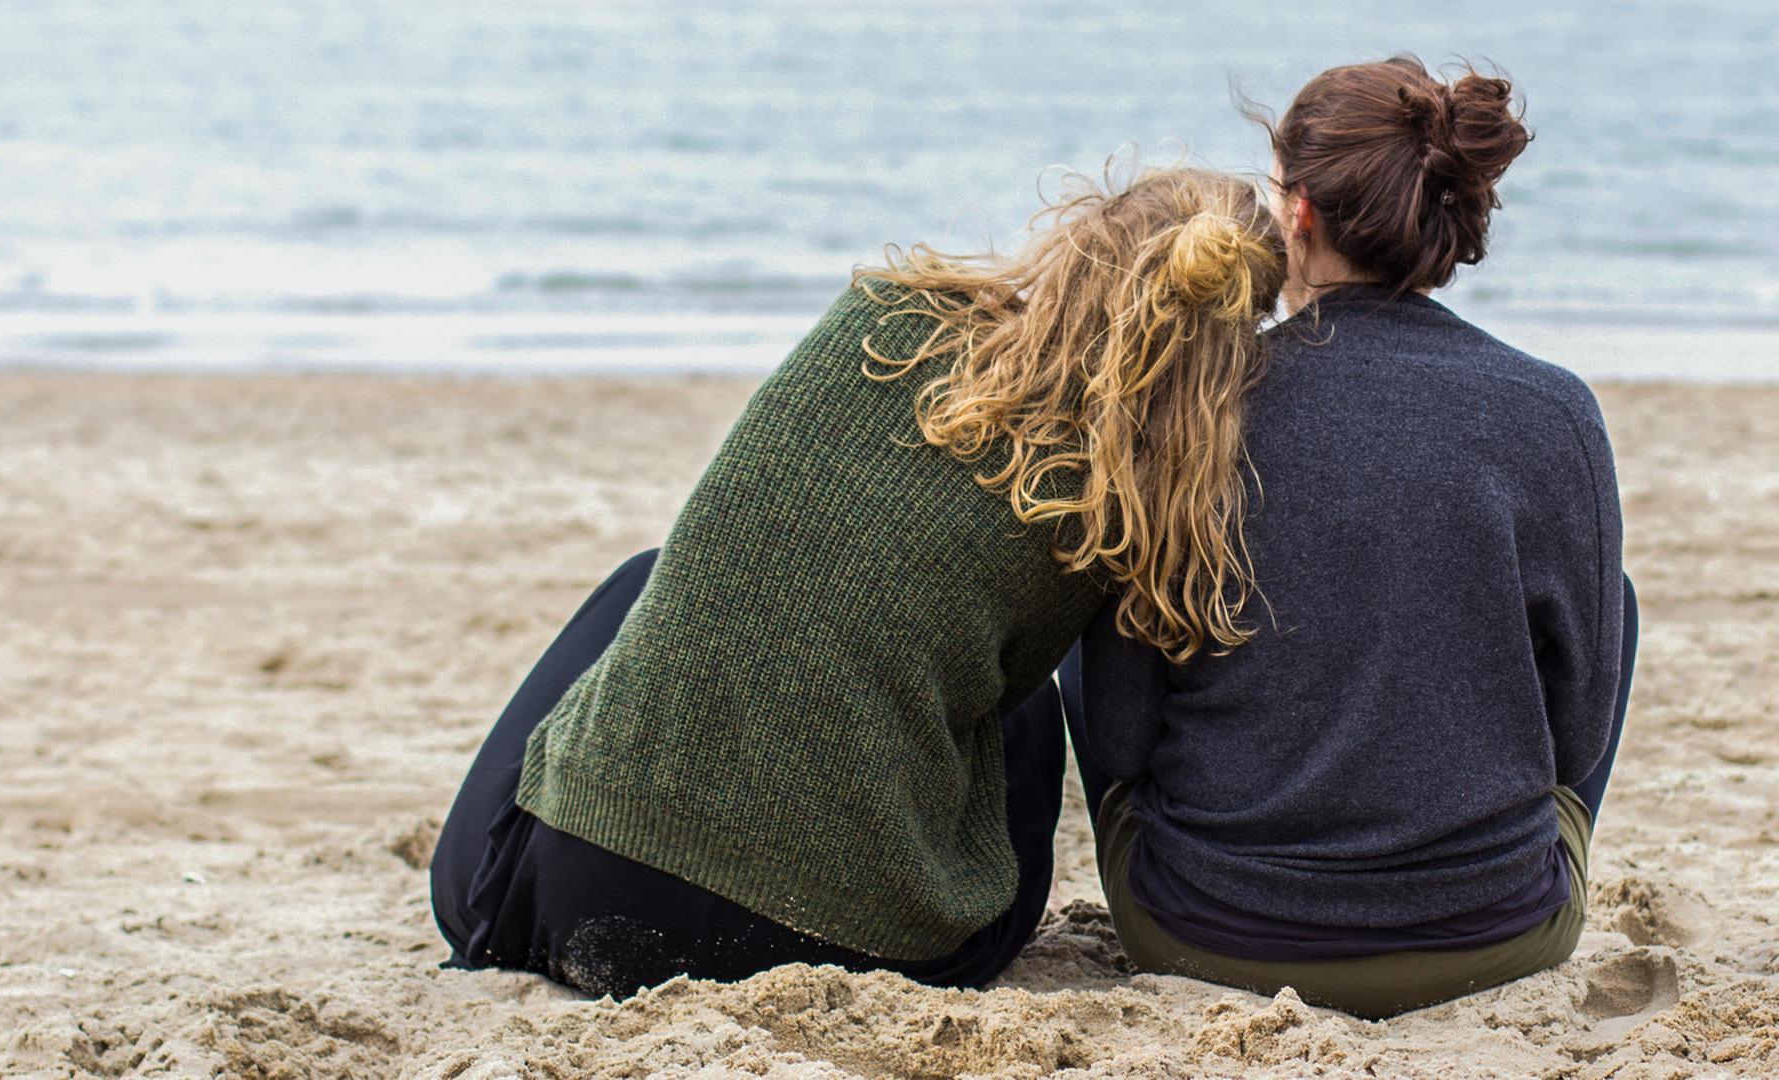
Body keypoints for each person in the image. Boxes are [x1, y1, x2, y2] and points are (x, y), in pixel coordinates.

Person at [430, 166, 1287, 997]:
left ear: (1084, 237)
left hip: (569, 903)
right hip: (827, 947)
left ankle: (576, 823)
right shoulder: (1120, 505)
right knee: (1016, 711)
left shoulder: (880, 316)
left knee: (649, 578)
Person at [1065, 56, 1638, 1020]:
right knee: (1607, 601)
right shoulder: (1555, 410)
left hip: (1203, 927)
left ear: (1297, 213)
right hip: (1493, 933)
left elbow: (1122, 736)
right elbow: (1572, 741)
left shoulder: (1197, 408)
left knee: (1101, 582)